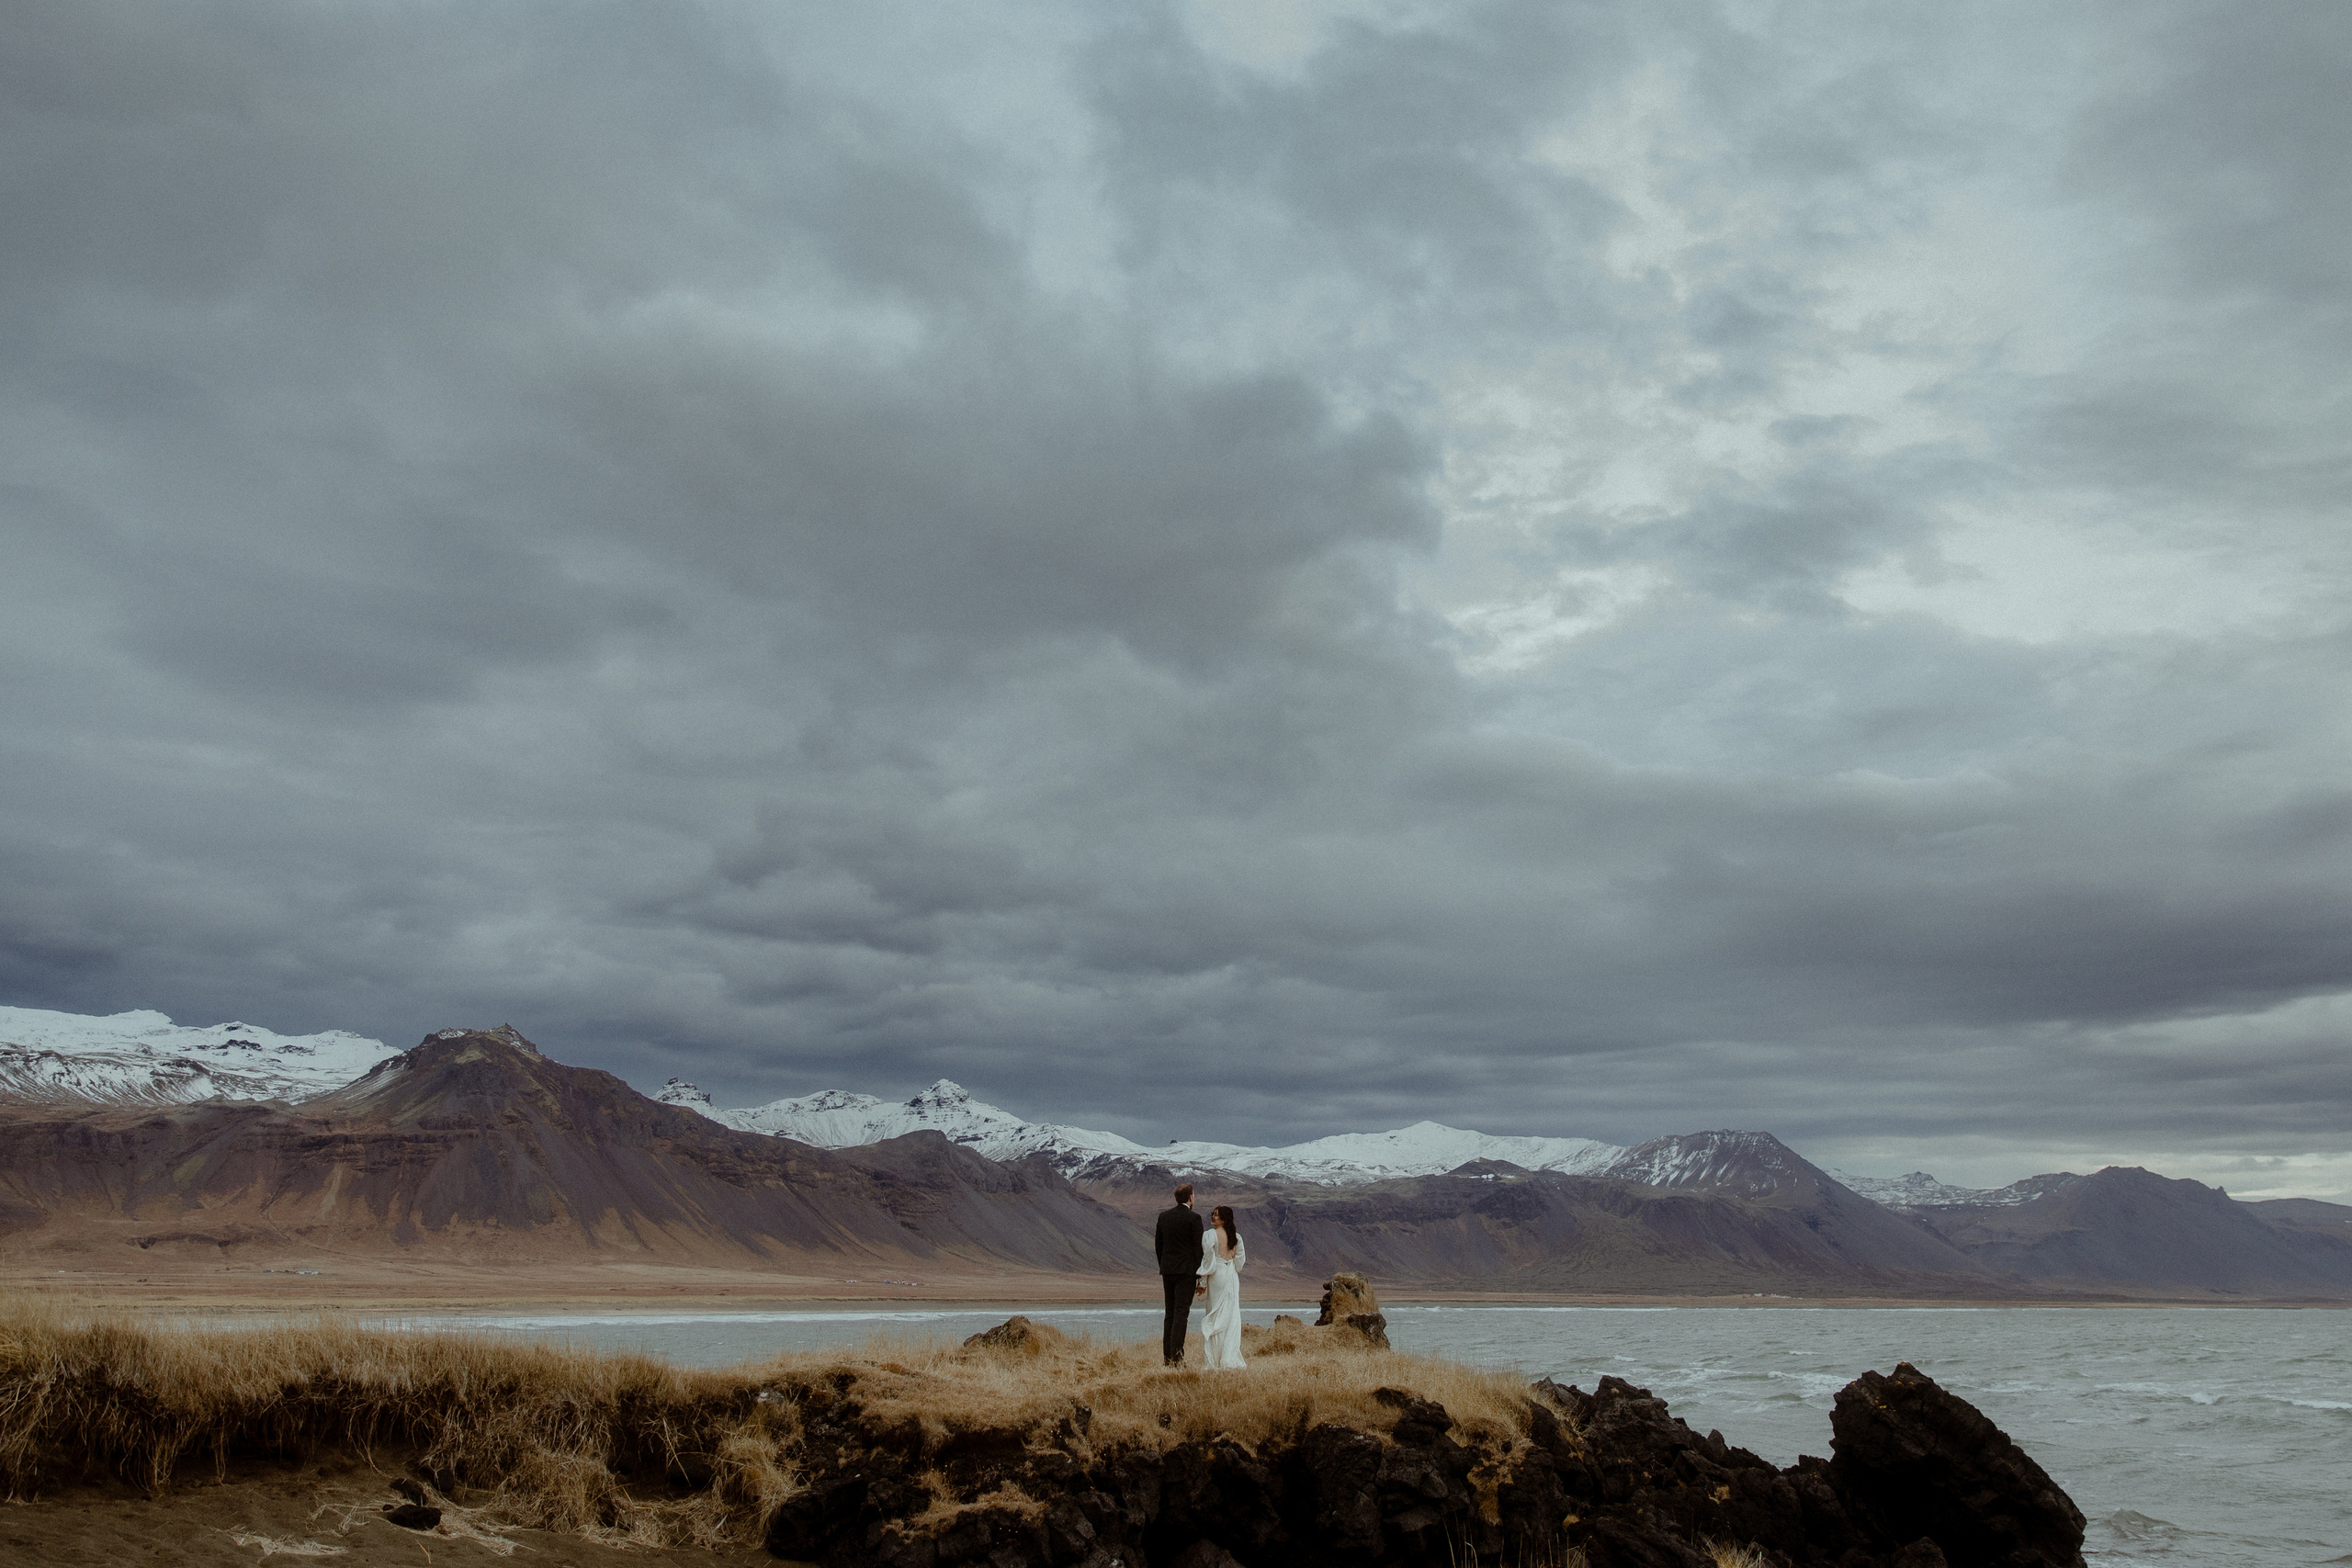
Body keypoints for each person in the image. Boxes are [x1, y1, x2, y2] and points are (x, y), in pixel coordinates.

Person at [1154, 1181, 1206, 1365]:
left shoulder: (1164, 1216)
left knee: (1170, 1313)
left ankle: (1167, 1358)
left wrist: (1165, 1265)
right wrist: (1199, 1275)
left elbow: (1158, 1246)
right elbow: (1198, 1249)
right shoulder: (1194, 1218)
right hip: (1186, 1272)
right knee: (1181, 1313)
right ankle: (1177, 1357)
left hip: (1168, 1271)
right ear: (1191, 1198)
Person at [1195, 1203, 1247, 1371]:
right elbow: (1240, 1263)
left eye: (1217, 1215)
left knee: (1215, 1313)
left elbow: (1208, 1262)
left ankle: (1215, 1360)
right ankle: (1229, 1357)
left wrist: (1202, 1283)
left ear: (1224, 1219)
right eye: (1213, 1213)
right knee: (1231, 1315)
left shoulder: (1210, 1235)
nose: (1213, 1217)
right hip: (1231, 1275)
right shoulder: (1237, 1237)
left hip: (1218, 1275)